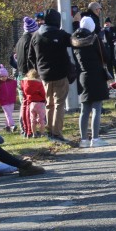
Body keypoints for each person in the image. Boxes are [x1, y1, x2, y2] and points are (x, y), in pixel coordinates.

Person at [31, 9, 74, 143]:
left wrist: (39, 70)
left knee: (49, 104)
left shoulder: (36, 35)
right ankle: (57, 133)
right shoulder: (61, 34)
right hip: (60, 74)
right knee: (59, 104)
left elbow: (31, 57)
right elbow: (74, 42)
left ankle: (50, 132)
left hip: (44, 75)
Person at [71, 16, 110, 147]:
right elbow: (105, 56)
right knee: (96, 108)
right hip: (96, 75)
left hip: (82, 75)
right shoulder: (94, 39)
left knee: (84, 109)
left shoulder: (74, 40)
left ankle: (83, 140)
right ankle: (95, 138)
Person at [14, 16, 38, 137]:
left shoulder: (20, 41)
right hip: (29, 76)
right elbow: (31, 58)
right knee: (30, 103)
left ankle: (24, 128)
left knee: (24, 103)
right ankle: (29, 129)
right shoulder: (30, 41)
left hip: (20, 75)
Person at [21, 69, 47, 137]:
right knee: (41, 119)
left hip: (31, 103)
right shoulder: (38, 83)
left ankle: (33, 133)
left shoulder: (26, 83)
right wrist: (45, 99)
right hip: (40, 103)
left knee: (32, 120)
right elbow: (43, 93)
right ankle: (42, 133)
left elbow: (25, 94)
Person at [0, 65, 17, 132]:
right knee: (8, 114)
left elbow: (18, 85)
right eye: (2, 76)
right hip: (3, 101)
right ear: (0, 76)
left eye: (5, 76)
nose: (4, 78)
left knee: (9, 114)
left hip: (11, 100)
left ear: (7, 76)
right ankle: (12, 125)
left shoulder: (12, 82)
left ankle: (7, 126)